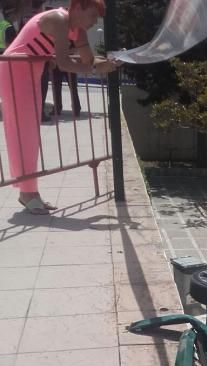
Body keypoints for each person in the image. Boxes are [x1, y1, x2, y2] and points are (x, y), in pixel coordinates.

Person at [0, 0, 120, 214]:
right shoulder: (59, 19)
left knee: (29, 134)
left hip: (30, 72)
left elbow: (88, 60)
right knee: (25, 134)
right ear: (78, 8)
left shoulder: (78, 30)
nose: (94, 22)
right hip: (15, 72)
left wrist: (108, 62)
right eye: (92, 15)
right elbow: (65, 63)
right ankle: (27, 193)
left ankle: (30, 192)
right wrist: (94, 68)